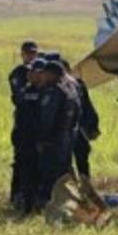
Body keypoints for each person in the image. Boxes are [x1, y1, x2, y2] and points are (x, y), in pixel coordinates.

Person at [34, 59, 81, 208]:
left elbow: (47, 117)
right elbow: (78, 113)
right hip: (66, 135)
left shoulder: (53, 91)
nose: (42, 77)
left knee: (49, 170)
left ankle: (47, 202)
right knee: (63, 169)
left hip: (53, 137)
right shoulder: (71, 89)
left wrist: (42, 138)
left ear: (51, 74)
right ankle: (64, 201)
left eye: (44, 74)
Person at [8, 40, 39, 206]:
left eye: (34, 53)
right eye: (28, 53)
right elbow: (18, 97)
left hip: (35, 125)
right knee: (20, 160)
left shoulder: (40, 70)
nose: (31, 56)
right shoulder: (19, 73)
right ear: (22, 54)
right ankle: (16, 194)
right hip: (23, 122)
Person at [12, 58, 45, 214]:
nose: (31, 74)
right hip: (25, 138)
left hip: (41, 139)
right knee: (25, 171)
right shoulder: (25, 91)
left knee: (41, 171)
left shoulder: (48, 92)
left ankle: (40, 203)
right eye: (30, 71)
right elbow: (19, 115)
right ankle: (26, 202)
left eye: (35, 72)